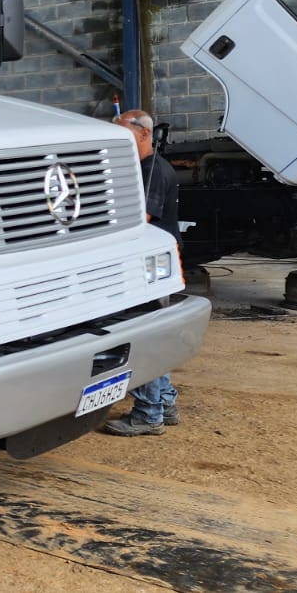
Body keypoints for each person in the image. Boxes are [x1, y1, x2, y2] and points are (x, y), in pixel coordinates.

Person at [103, 109, 181, 437]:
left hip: (149, 267)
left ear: (144, 134)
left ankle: (148, 414)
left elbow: (142, 219)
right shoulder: (144, 167)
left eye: (124, 135)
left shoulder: (152, 172)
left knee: (139, 333)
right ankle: (165, 401)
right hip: (155, 264)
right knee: (154, 334)